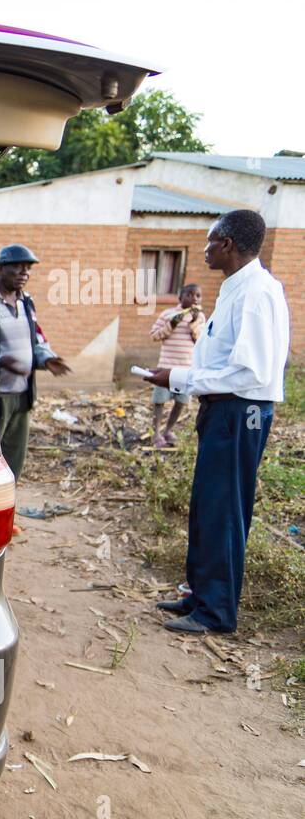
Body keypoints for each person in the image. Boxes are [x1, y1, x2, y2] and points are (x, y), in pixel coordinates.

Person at [144, 209, 290, 634]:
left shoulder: (257, 293)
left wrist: (180, 378)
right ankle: (199, 594)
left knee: (223, 510)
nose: (205, 250)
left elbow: (252, 372)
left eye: (209, 242)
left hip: (237, 412)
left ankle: (216, 612)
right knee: (208, 506)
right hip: (221, 409)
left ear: (227, 244)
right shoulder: (235, 289)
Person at [0, 244, 72, 481]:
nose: (24, 273)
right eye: (17, 268)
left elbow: (38, 339)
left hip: (22, 395)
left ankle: (8, 503)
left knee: (14, 458)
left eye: (28, 269)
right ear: (0, 269)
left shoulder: (26, 303)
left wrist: (46, 358)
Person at [149, 283, 205, 447]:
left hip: (186, 369)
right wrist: (172, 324)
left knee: (180, 402)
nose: (194, 298)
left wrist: (193, 322)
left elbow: (200, 340)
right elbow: (155, 335)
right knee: (159, 401)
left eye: (198, 296)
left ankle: (168, 430)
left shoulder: (200, 318)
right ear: (180, 298)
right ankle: (156, 433)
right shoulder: (168, 314)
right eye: (189, 294)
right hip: (166, 366)